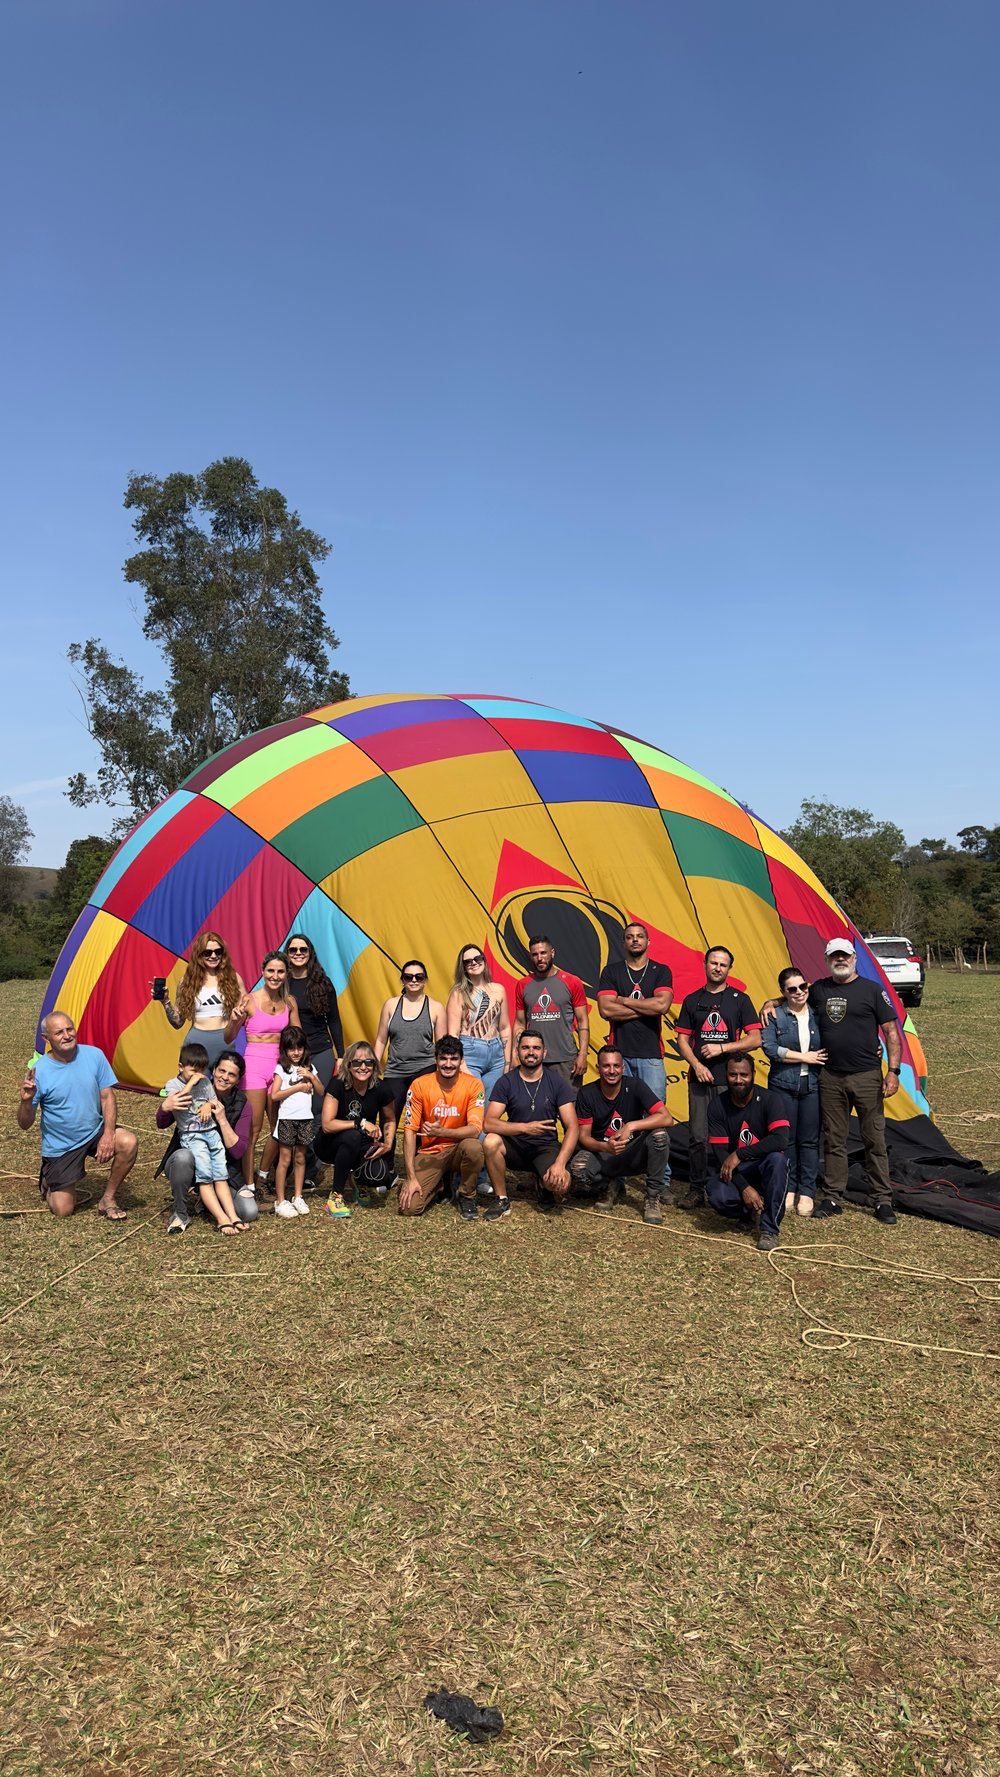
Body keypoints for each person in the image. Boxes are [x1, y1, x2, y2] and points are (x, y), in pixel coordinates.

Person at [807, 937, 903, 1225]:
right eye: (834, 956)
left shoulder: (872, 990)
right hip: (831, 1076)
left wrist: (893, 1071)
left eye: (845, 956)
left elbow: (891, 1033)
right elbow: (793, 1000)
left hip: (866, 1076)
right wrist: (771, 1002)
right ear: (826, 960)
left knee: (874, 1137)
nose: (840, 960)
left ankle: (882, 1200)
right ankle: (834, 1196)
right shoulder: (819, 989)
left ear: (854, 958)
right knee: (834, 1139)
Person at [17, 1009, 137, 1220]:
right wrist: (26, 1101)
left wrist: (108, 1134)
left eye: (69, 1029)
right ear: (46, 1039)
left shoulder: (94, 1055)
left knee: (128, 1142)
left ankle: (107, 1199)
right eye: (59, 1032)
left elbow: (107, 1097)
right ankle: (48, 1178)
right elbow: (25, 1124)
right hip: (61, 1146)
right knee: (63, 1210)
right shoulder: (40, 1071)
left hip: (94, 1131)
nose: (67, 1035)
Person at [675, 947, 762, 1211]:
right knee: (698, 1137)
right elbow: (682, 1039)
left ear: (729, 969)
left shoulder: (740, 999)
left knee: (733, 1137)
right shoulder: (692, 1000)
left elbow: (756, 1038)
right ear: (705, 964)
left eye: (723, 965)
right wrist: (697, 1065)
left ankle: (734, 1184)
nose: (718, 968)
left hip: (731, 1081)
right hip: (699, 1079)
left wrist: (722, 1049)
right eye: (714, 963)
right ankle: (696, 1188)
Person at [597, 922, 674, 1199]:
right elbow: (606, 1010)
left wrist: (624, 1001)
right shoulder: (612, 971)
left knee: (656, 1118)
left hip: (651, 1055)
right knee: (621, 1117)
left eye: (640, 936)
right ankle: (618, 1177)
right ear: (624, 942)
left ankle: (661, 1181)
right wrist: (645, 1007)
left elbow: (662, 1006)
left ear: (648, 941)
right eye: (629, 937)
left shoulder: (660, 970)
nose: (635, 941)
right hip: (620, 1055)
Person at [570, 1046, 674, 1223]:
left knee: (659, 1135)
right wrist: (605, 1147)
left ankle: (652, 1197)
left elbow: (667, 1118)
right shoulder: (587, 1093)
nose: (612, 1071)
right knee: (578, 1168)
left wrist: (632, 1125)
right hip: (603, 1152)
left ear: (623, 1068)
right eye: (606, 1066)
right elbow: (583, 1137)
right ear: (598, 1068)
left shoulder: (635, 1086)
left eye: (616, 1066)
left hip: (633, 1151)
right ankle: (609, 1186)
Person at [156, 1049, 255, 1234]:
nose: (225, 1077)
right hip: (190, 1153)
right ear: (214, 1070)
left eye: (232, 1075)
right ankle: (204, 1215)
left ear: (238, 1079)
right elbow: (162, 1122)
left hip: (222, 1158)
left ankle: (229, 1215)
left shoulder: (242, 1103)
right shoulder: (193, 1084)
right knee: (194, 1167)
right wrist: (165, 1107)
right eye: (221, 1071)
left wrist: (222, 1118)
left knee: (248, 1211)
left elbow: (238, 1151)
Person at [482, 1031, 580, 1217]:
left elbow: (573, 1126)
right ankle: (501, 1199)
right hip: (515, 1147)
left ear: (544, 1053)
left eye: (536, 1048)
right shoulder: (506, 1081)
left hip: (545, 1148)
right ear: (517, 1051)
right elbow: (489, 1123)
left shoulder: (557, 1082)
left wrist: (560, 1163)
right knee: (490, 1141)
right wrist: (525, 1128)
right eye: (525, 1047)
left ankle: (543, 1184)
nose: (531, 1052)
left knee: (561, 1185)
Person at [224, 952, 301, 1187]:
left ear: (286, 974)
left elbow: (298, 1038)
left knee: (281, 1127)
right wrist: (235, 1020)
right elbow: (228, 1037)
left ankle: (264, 1174)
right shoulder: (249, 1000)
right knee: (253, 1129)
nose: (275, 976)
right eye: (271, 971)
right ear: (263, 971)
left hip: (280, 1067)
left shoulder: (290, 1002)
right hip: (255, 1067)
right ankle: (248, 1185)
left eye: (280, 971)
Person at [760, 967, 826, 1218]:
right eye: (792, 989)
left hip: (812, 1086)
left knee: (809, 1140)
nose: (799, 992)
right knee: (785, 1139)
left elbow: (839, 1036)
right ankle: (788, 1186)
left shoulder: (818, 1015)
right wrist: (804, 1057)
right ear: (783, 992)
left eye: (802, 987)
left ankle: (807, 1190)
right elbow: (769, 1048)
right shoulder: (773, 1016)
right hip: (782, 1084)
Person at [706, 1054, 790, 1252]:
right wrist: (744, 1187)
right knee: (717, 1194)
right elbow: (719, 1153)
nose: (738, 1080)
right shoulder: (717, 1105)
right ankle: (747, 1212)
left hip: (763, 1167)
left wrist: (739, 1154)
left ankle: (770, 1229)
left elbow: (780, 1139)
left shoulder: (771, 1100)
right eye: (733, 1075)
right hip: (738, 1171)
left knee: (778, 1161)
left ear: (753, 1074)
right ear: (726, 1076)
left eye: (744, 1074)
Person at [447, 942, 512, 1193]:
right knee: (471, 1115)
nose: (474, 963)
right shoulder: (458, 993)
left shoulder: (498, 989)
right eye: (468, 961)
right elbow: (452, 1034)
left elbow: (505, 1026)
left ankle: (483, 1175)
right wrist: (460, 1063)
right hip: (469, 1051)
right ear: (462, 967)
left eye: (478, 958)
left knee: (489, 1116)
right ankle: (463, 1176)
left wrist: (506, 1062)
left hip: (496, 1052)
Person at [399, 1036, 485, 1219]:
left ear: (461, 1060)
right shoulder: (420, 1085)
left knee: (474, 1147)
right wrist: (411, 1178)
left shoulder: (473, 1084)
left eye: (453, 1058)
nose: (448, 1064)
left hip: (458, 1149)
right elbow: (409, 1131)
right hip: (430, 1152)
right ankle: (439, 1185)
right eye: (443, 1058)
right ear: (435, 1059)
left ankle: (466, 1195)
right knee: (409, 1209)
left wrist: (442, 1132)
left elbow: (475, 1130)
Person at [315, 1040, 398, 1201]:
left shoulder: (381, 1088)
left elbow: (389, 1119)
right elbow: (327, 1125)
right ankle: (336, 1196)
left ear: (374, 1065)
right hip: (329, 1144)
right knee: (352, 1136)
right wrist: (360, 1123)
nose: (363, 1067)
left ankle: (357, 1180)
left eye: (368, 1062)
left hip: (363, 1146)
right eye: (357, 1062)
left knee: (379, 1176)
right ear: (348, 1065)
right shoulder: (337, 1083)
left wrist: (387, 1144)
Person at [512, 935, 589, 1097]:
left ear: (552, 953)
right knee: (536, 1111)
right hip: (533, 1059)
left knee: (570, 1111)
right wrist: (515, 1054)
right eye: (535, 954)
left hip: (566, 1060)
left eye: (543, 953)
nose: (540, 958)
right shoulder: (523, 985)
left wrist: (582, 1054)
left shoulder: (572, 982)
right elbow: (519, 1023)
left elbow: (583, 1021)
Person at [158, 931, 246, 1070]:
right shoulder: (186, 982)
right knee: (194, 1088)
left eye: (218, 951)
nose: (213, 956)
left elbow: (244, 1014)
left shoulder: (234, 978)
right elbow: (177, 1022)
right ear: (199, 955)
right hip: (196, 1043)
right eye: (207, 952)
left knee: (223, 1088)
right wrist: (166, 1002)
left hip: (225, 1041)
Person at [374, 961, 446, 1120]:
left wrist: (442, 1073)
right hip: (395, 1070)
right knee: (388, 1119)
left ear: (425, 980)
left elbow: (442, 1047)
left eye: (419, 977)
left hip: (425, 1069)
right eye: (409, 977)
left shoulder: (436, 1007)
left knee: (422, 1120)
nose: (414, 980)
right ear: (402, 980)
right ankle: (386, 1146)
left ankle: (420, 1146)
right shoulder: (390, 1005)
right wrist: (373, 1066)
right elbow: (380, 1040)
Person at [270, 1026, 324, 1219]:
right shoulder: (281, 1069)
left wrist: (310, 1076)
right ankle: (280, 1200)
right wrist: (298, 1087)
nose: (296, 1053)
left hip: (305, 1119)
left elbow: (320, 1091)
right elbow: (275, 1095)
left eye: (299, 1048)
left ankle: (298, 1196)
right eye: (291, 1049)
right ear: (284, 1049)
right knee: (284, 1160)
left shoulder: (308, 1067)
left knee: (300, 1158)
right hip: (287, 1119)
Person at [283, 934, 344, 1093]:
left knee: (318, 1102)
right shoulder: (280, 985)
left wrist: (341, 1056)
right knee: (295, 1101)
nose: (298, 953)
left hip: (321, 1050)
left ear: (310, 953)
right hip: (292, 1052)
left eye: (303, 949)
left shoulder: (323, 982)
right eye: (293, 950)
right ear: (287, 954)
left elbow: (334, 1020)